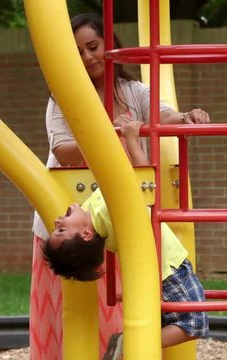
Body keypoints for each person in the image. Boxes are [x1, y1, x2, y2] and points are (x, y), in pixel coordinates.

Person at [31, 12, 210, 239]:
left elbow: (162, 115)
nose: (87, 57)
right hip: (75, 220)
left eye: (93, 46)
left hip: (118, 216)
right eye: (78, 52)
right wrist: (111, 134)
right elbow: (63, 152)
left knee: (128, 268)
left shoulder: (133, 91)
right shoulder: (64, 97)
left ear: (110, 45)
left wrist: (188, 117)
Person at [42, 120, 208, 360]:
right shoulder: (110, 214)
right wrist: (131, 140)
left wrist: (115, 139)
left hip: (154, 273)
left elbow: (118, 174)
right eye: (60, 231)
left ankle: (133, 343)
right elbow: (146, 186)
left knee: (161, 320)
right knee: (194, 323)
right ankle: (130, 342)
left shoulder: (94, 212)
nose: (56, 222)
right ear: (86, 235)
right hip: (169, 270)